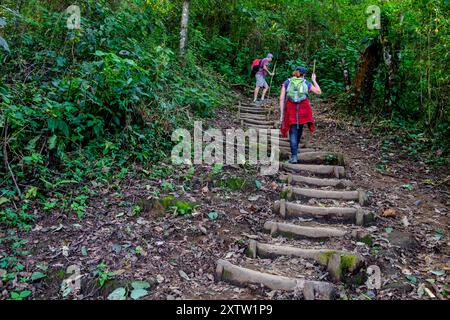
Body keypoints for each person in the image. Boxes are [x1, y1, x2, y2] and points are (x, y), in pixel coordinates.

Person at [279, 66, 322, 164]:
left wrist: (282, 114)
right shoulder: (306, 83)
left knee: (293, 131)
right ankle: (295, 153)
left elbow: (281, 98)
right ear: (304, 74)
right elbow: (319, 92)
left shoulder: (287, 82)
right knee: (299, 130)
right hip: (304, 110)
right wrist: (314, 80)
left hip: (291, 109)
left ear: (295, 72)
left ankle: (294, 155)